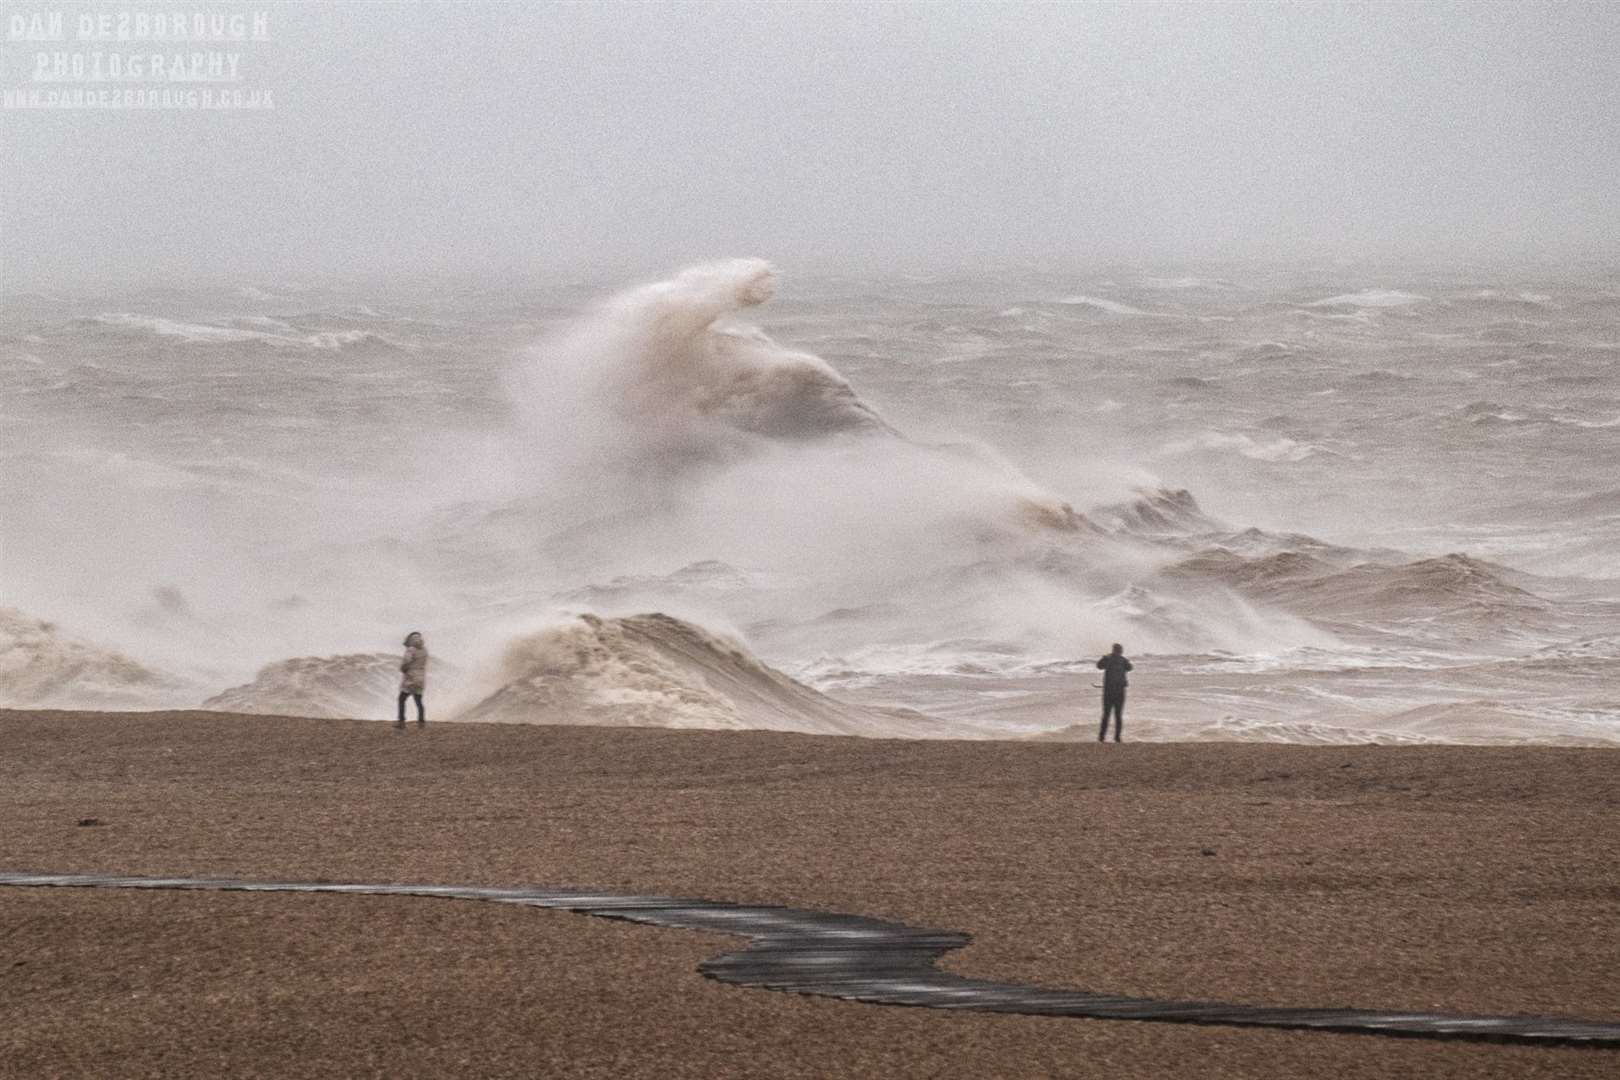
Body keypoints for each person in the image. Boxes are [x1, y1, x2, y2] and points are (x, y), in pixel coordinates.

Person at [1095, 643, 1131, 742]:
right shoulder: (1122, 660)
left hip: (1109, 692)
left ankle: (1102, 737)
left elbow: (1099, 666)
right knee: (1117, 715)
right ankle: (1116, 737)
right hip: (1118, 692)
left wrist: (1105, 658)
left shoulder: (1109, 658)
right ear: (1119, 651)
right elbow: (1130, 668)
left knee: (1107, 715)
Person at [396, 631, 428, 729]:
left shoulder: (411, 649)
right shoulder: (425, 650)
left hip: (410, 678)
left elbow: (406, 661)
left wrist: (403, 669)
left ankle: (401, 722)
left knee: (401, 699)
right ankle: (421, 722)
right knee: (418, 701)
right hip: (421, 678)